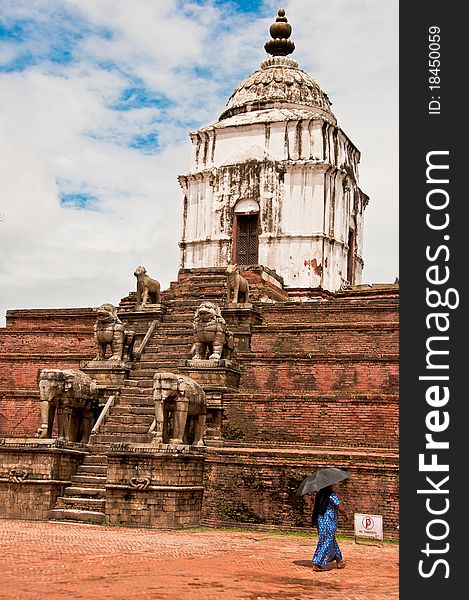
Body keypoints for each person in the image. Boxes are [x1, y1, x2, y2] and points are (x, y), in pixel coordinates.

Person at [311, 484, 347, 571]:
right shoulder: (331, 495)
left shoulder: (319, 494)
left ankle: (338, 560)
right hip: (329, 521)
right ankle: (318, 563)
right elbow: (339, 507)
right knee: (326, 541)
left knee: (331, 539)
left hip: (320, 520)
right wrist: (345, 515)